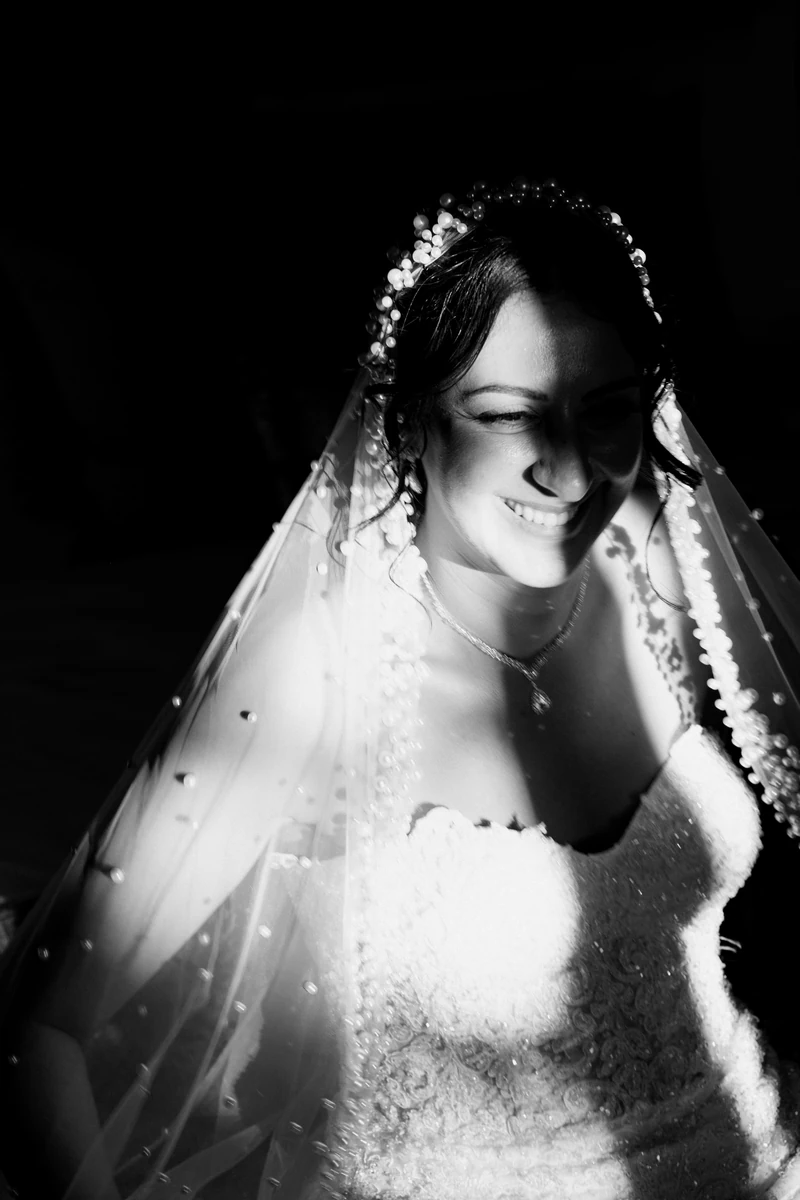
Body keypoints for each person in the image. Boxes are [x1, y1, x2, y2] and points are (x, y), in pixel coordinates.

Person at [2, 176, 800, 1200]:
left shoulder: (644, 569)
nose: (567, 471)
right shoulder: (313, 674)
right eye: (509, 416)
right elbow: (41, 1032)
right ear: (409, 422)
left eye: (606, 411)